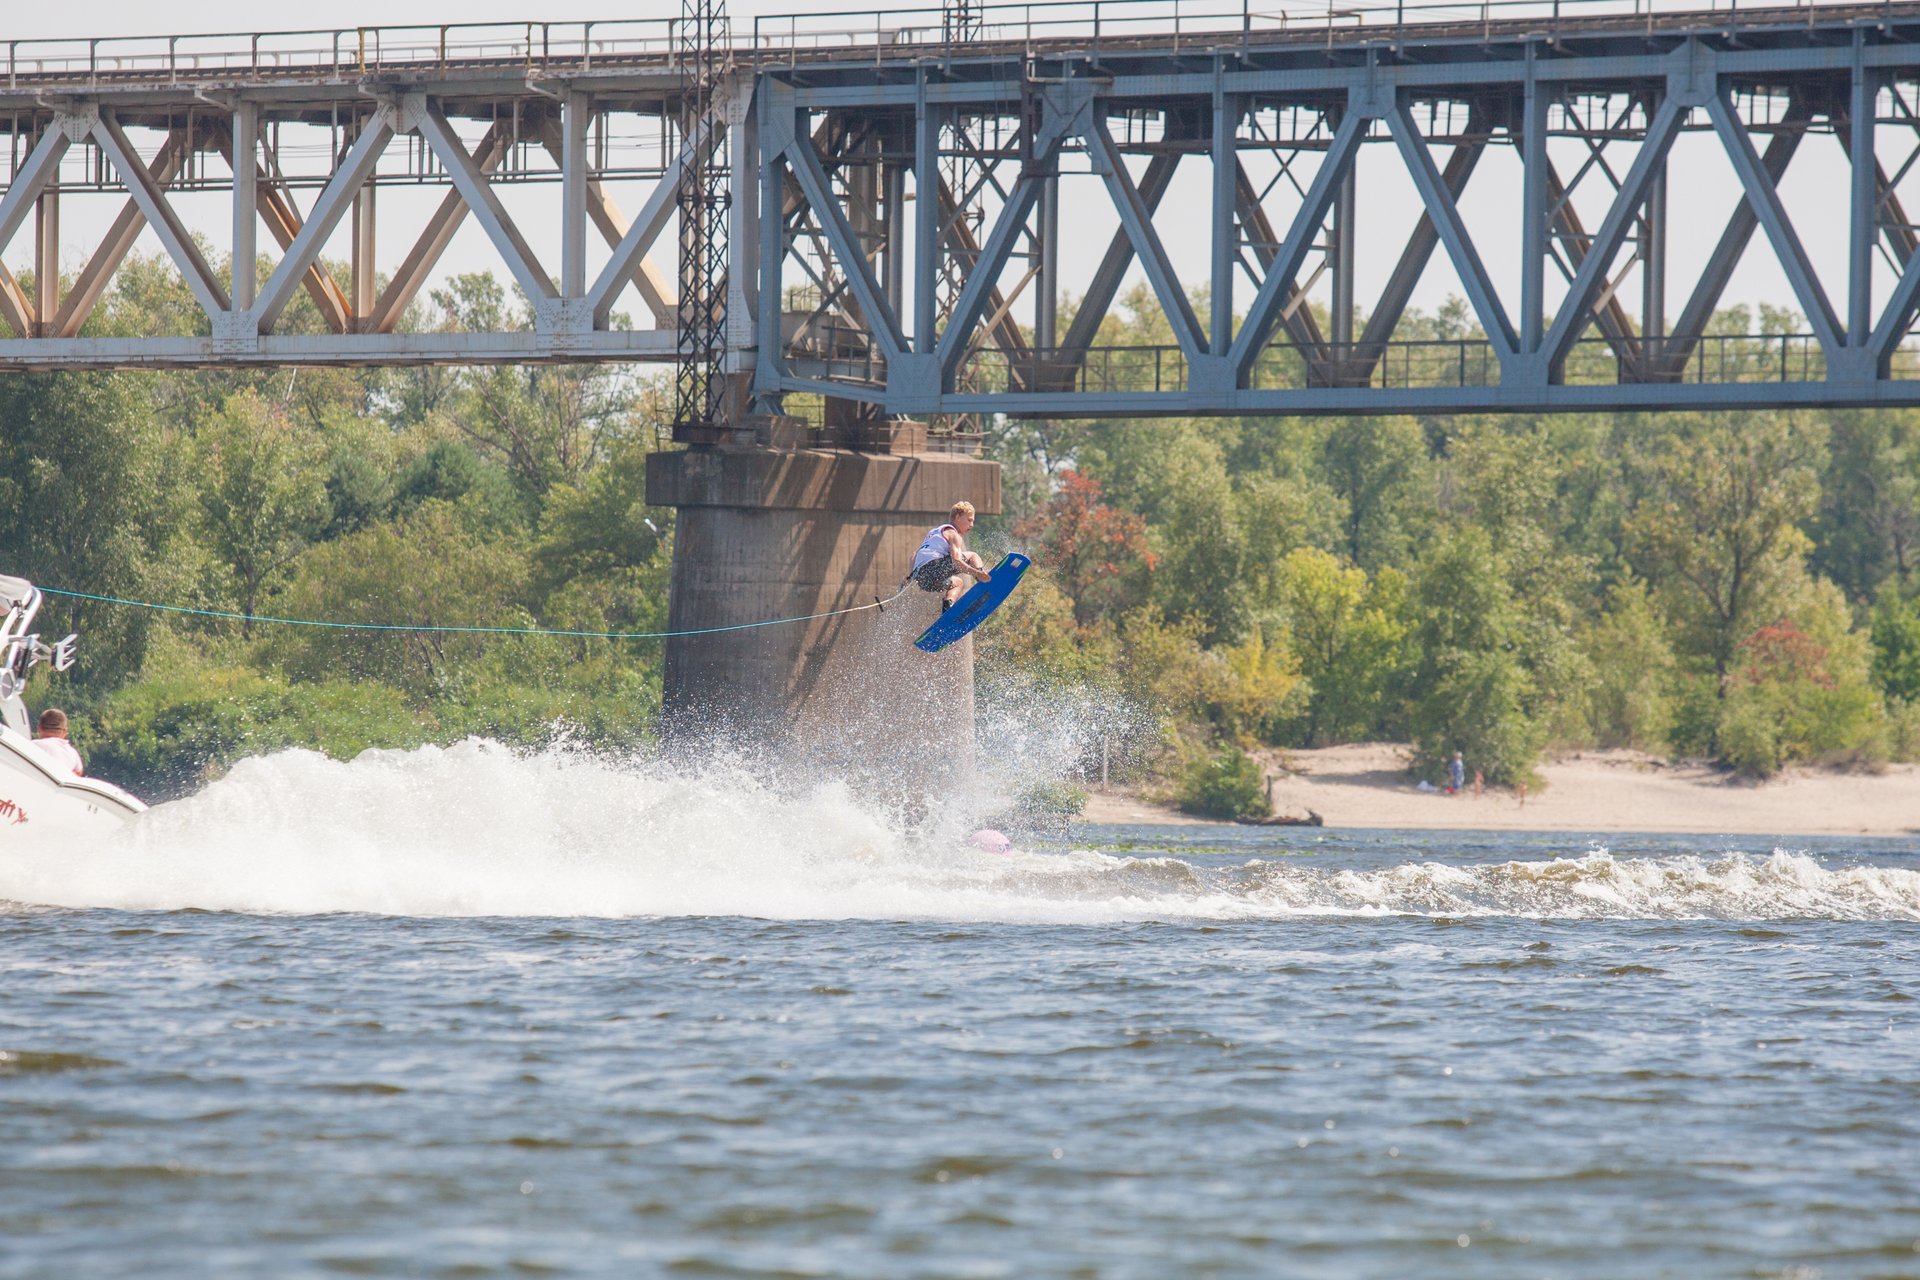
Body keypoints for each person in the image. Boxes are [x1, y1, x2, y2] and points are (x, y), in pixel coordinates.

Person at [909, 500, 991, 609]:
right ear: (957, 517)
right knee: (972, 555)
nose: (971, 525)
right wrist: (976, 573)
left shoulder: (933, 533)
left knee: (957, 583)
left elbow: (914, 554)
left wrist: (909, 577)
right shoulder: (953, 534)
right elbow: (956, 562)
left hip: (923, 579)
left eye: (973, 521)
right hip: (936, 567)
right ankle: (983, 579)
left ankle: (948, 608)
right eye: (969, 520)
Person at [33, 707, 84, 777]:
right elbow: (78, 773)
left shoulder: (30, 745)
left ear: (39, 728)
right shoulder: (72, 753)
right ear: (65, 731)